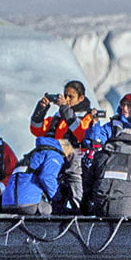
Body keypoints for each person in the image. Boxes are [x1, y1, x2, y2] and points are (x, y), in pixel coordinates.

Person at [30, 80, 97, 213]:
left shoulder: (87, 115)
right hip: (56, 156)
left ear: (81, 98)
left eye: (71, 97)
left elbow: (81, 134)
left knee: (73, 180)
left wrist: (65, 109)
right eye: (65, 95)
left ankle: (77, 208)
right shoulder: (58, 116)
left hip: (77, 158)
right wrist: (41, 109)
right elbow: (36, 129)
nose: (67, 99)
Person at [2, 137, 72, 215]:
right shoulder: (54, 155)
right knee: (59, 210)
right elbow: (47, 178)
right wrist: (58, 197)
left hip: (7, 203)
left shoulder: (33, 154)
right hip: (27, 204)